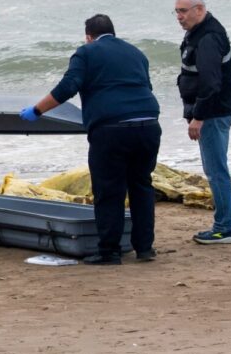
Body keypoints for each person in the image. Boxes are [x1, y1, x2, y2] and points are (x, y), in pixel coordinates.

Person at [20, 14, 161, 264]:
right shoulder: (136, 53)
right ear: (113, 32)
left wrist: (37, 110)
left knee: (109, 189)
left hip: (112, 129)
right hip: (149, 124)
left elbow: (68, 86)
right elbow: (145, 87)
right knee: (141, 185)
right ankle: (145, 248)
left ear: (88, 36)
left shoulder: (86, 52)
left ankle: (109, 251)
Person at [175, 0, 231, 244]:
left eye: (183, 11)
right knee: (215, 168)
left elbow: (211, 83)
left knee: (216, 171)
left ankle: (225, 227)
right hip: (217, 110)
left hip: (214, 113)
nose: (179, 17)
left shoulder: (208, 38)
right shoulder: (199, 33)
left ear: (199, 9)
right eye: (177, 11)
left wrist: (198, 117)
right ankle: (229, 222)